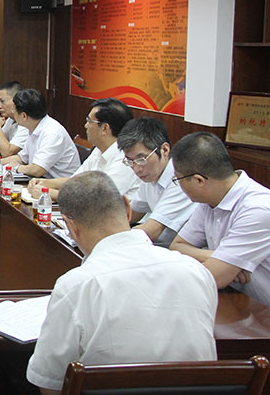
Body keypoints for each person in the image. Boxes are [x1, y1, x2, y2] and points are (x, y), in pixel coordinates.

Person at [27, 171, 217, 395]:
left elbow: (51, 388)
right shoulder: (196, 271)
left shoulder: (77, 285)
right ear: (128, 209)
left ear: (70, 226)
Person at [170, 132, 270, 307]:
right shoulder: (210, 199)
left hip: (263, 311)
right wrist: (219, 258)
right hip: (240, 301)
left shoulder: (257, 209)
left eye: (177, 179)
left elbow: (214, 277)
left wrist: (222, 265)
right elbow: (177, 246)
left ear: (199, 180)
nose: (178, 185)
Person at [28, 98, 140, 200]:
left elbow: (96, 200)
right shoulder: (100, 149)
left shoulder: (125, 160)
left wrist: (47, 193)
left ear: (105, 128)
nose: (85, 125)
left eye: (89, 121)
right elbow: (76, 180)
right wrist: (46, 183)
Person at [116, 117, 196, 247]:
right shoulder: (150, 175)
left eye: (141, 159)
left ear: (164, 150)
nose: (136, 168)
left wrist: (108, 237)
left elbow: (151, 232)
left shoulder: (181, 179)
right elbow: (133, 213)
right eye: (130, 161)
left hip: (181, 251)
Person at [0, 89, 79, 178]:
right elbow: (22, 158)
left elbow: (37, 169)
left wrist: (16, 168)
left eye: (14, 111)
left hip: (58, 188)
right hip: (41, 182)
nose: (13, 113)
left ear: (24, 116)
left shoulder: (52, 133)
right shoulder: (33, 126)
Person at [0, 80, 28, 157]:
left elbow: (7, 153)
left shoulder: (26, 122)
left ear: (16, 100)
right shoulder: (11, 120)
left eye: (2, 101)